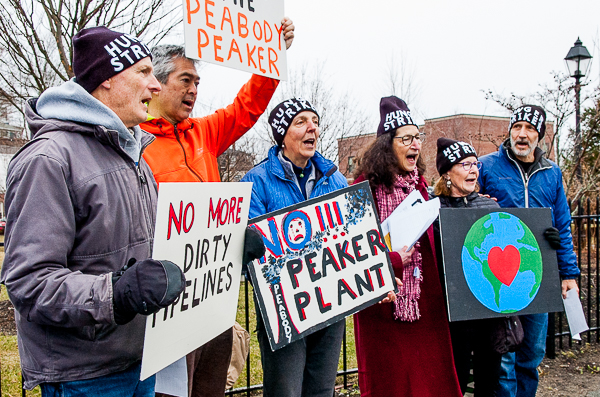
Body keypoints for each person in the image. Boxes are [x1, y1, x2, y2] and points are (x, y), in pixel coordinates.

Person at [0, 26, 186, 396]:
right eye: (144, 72)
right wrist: (114, 293)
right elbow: (28, 281)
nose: (156, 87)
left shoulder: (133, 155)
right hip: (82, 375)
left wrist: (227, 244)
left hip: (136, 360)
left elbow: (153, 244)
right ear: (106, 80)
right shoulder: (48, 159)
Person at [140, 18, 295, 397]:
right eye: (185, 80)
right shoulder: (135, 143)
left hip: (213, 300)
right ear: (157, 84)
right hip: (166, 305)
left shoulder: (204, 133)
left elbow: (247, 106)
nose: (194, 90)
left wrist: (272, 55)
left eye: (197, 82)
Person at [352, 96, 463, 397]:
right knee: (391, 384)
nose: (416, 144)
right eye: (407, 138)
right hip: (382, 307)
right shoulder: (361, 192)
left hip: (425, 305)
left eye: (418, 137)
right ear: (387, 145)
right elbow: (352, 259)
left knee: (431, 383)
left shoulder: (422, 187)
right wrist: (392, 260)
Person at [240, 98, 349, 397]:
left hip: (331, 302)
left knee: (321, 390)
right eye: (300, 121)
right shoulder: (256, 181)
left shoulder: (334, 177)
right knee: (285, 392)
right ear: (282, 135)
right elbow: (250, 252)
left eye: (314, 120)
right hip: (283, 308)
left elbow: (353, 234)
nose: (312, 127)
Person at [478, 104, 580, 397]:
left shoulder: (552, 173)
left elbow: (562, 224)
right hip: (499, 275)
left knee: (532, 352)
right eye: (517, 128)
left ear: (540, 135)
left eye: (530, 129)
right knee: (506, 356)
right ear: (509, 131)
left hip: (538, 275)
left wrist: (568, 272)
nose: (522, 135)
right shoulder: (487, 167)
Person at [433, 137, 502, 396]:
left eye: (475, 164)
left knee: (489, 380)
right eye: (464, 164)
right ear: (447, 172)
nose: (473, 170)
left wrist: (543, 238)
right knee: (455, 380)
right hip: (453, 316)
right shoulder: (433, 209)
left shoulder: (490, 205)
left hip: (488, 309)